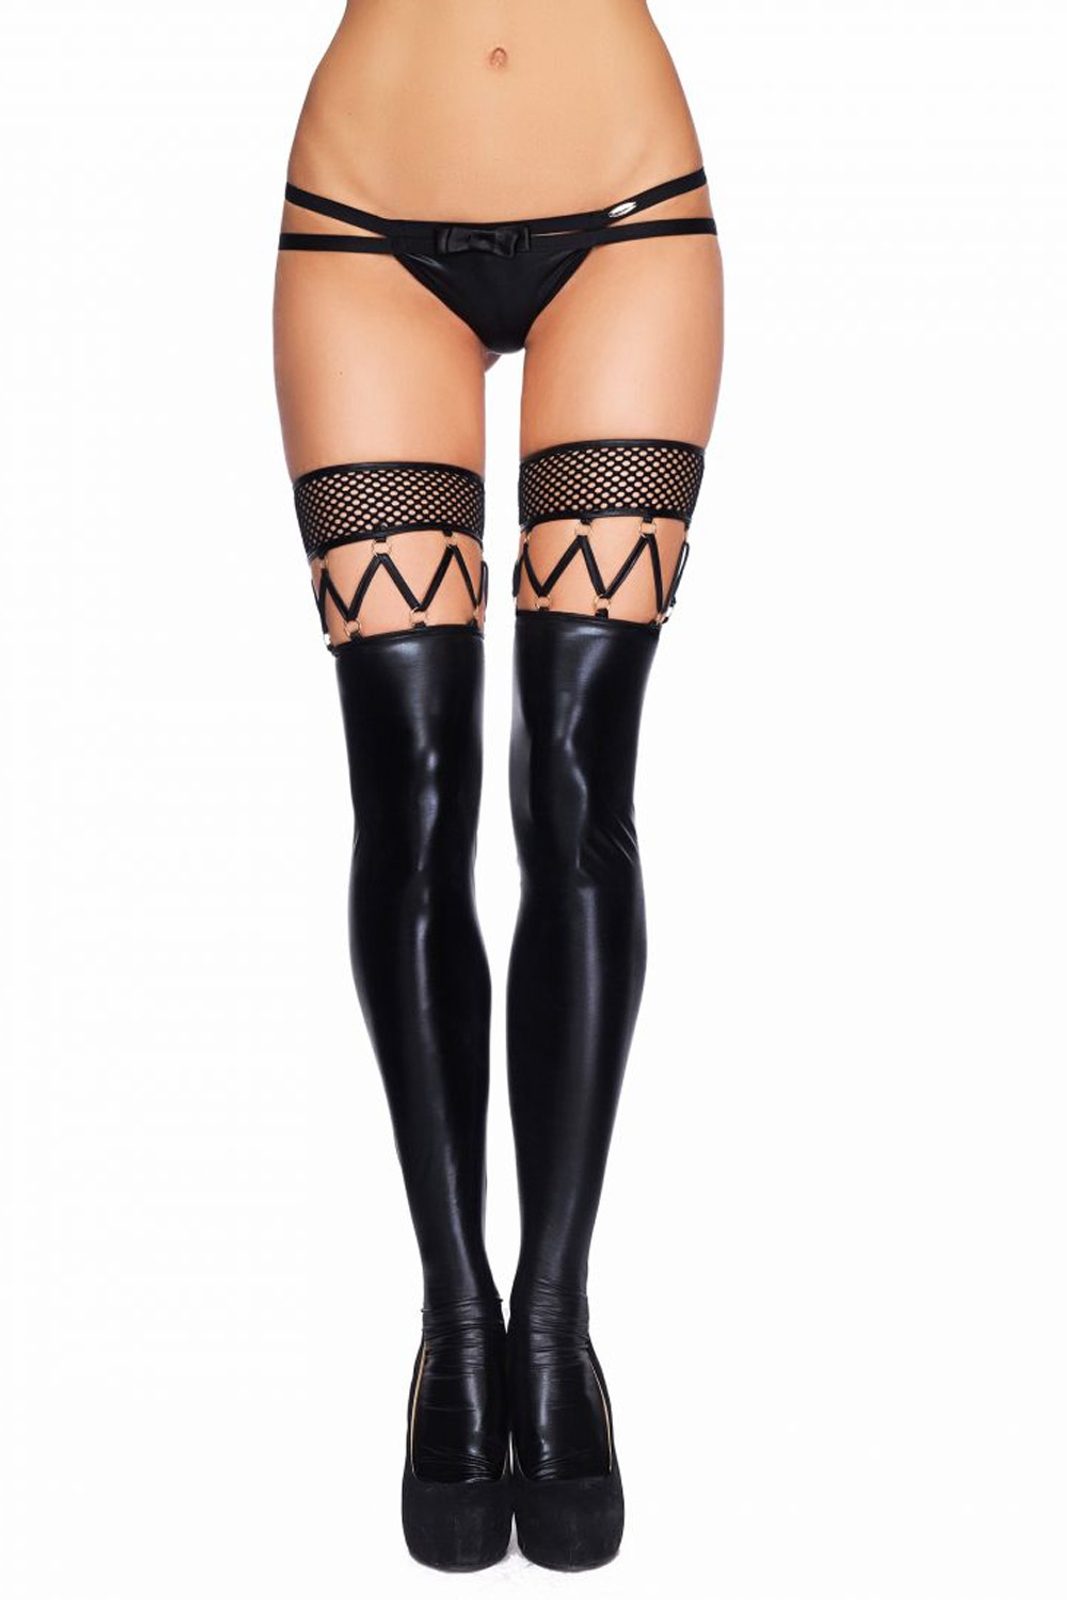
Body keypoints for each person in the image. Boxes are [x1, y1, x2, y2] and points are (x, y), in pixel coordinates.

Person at [272, 0, 723, 1572]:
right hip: (362, 228)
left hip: (628, 211)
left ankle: (552, 1324)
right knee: (410, 791)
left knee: (580, 778)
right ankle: (455, 1325)